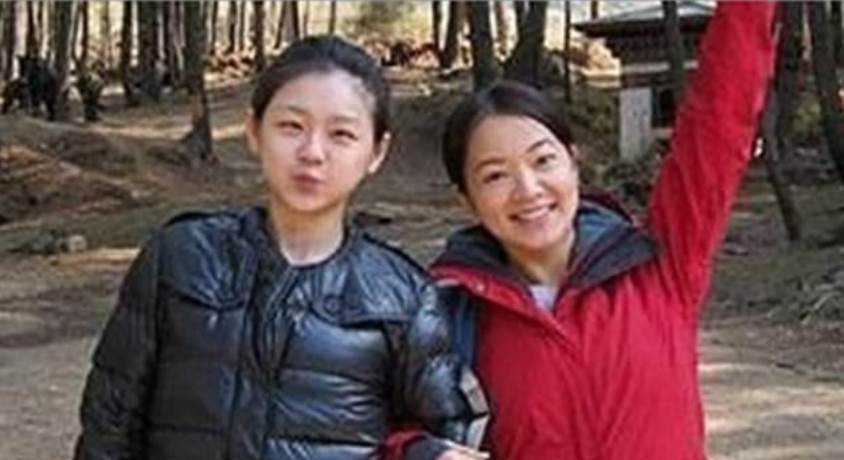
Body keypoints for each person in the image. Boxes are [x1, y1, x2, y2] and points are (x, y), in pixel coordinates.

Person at [72, 35, 487, 460]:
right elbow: (109, 424)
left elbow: (447, 431)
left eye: (341, 134)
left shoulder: (402, 296)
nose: (312, 152)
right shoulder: (181, 257)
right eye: (291, 126)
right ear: (254, 131)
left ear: (377, 152)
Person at [399, 3, 777, 460]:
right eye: (495, 175)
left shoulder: (659, 266)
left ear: (573, 163)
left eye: (543, 160)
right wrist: (418, 451)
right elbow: (377, 427)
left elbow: (720, 118)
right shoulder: (447, 313)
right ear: (466, 199)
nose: (528, 189)